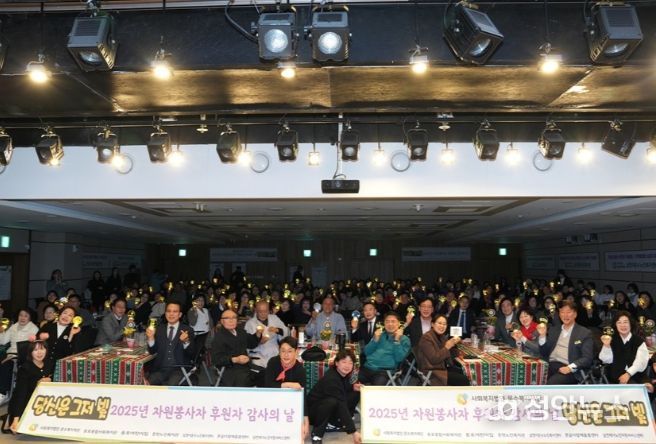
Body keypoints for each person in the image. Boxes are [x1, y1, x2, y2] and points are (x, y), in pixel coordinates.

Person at [306, 349, 361, 444]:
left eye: (350, 363)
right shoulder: (331, 378)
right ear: (336, 363)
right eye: (344, 362)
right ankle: (317, 434)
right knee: (332, 401)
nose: (347, 366)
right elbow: (341, 402)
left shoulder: (341, 374)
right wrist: (354, 432)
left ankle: (334, 423)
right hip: (314, 413)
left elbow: (342, 388)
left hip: (327, 407)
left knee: (355, 393)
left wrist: (353, 387)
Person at [533, 300, 593, 384]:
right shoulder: (554, 330)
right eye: (562, 312)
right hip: (550, 365)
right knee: (531, 377)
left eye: (568, 312)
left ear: (575, 314)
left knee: (551, 384)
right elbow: (544, 353)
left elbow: (587, 358)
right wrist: (542, 336)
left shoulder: (584, 333)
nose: (565, 315)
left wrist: (570, 368)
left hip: (569, 368)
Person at [7, 341, 53, 434]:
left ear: (46, 350)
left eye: (42, 349)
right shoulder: (25, 369)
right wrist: (16, 419)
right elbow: (20, 394)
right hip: (27, 402)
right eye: (35, 350)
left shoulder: (49, 363)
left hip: (46, 400)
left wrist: (51, 380)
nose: (39, 352)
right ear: (30, 353)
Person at [146, 301, 195, 386]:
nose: (171, 314)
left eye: (175, 311)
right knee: (147, 384)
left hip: (179, 369)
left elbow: (192, 353)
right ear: (165, 313)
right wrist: (151, 338)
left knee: (171, 386)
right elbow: (152, 351)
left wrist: (186, 341)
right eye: (168, 311)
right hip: (161, 369)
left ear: (180, 314)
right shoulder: (159, 329)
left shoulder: (187, 330)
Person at [211, 309, 263, 387]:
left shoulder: (240, 331)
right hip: (230, 368)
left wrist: (258, 333)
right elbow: (216, 359)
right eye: (227, 318)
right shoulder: (219, 337)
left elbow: (251, 343)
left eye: (234, 317)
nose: (231, 320)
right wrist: (236, 359)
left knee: (266, 374)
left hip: (246, 366)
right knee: (244, 380)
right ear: (222, 321)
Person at [358, 312, 411, 386]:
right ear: (384, 324)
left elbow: (399, 358)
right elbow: (366, 352)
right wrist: (375, 340)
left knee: (377, 389)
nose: (390, 324)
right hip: (367, 368)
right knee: (350, 382)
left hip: (384, 371)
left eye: (393, 321)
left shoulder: (404, 339)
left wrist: (396, 341)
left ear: (399, 324)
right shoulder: (379, 335)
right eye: (387, 321)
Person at [416, 314, 470, 386]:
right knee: (464, 380)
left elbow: (449, 353)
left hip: (441, 367)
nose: (442, 326)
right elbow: (434, 359)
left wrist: (455, 345)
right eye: (439, 323)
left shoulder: (441, 337)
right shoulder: (426, 338)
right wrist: (447, 347)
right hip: (432, 371)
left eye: (444, 324)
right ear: (432, 324)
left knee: (465, 372)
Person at [599, 311, 650, 384]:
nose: (622, 325)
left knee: (646, 386)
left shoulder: (639, 341)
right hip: (615, 377)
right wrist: (606, 346)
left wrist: (628, 374)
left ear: (630, 324)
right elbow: (606, 360)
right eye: (619, 323)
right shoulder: (611, 340)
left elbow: (640, 363)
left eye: (625, 322)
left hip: (636, 375)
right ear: (615, 325)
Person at [0, 309, 39, 403]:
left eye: (26, 316)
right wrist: (2, 332)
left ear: (30, 318)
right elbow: (3, 341)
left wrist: (14, 356)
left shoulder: (33, 328)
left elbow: (32, 348)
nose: (22, 318)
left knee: (5, 365)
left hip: (24, 356)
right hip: (10, 354)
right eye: (21, 315)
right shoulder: (14, 326)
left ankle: (3, 393)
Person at [244, 300, 289, 367]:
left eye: (265, 311)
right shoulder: (250, 323)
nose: (263, 313)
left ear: (269, 310)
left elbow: (286, 331)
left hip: (274, 352)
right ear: (256, 310)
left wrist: (277, 330)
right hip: (258, 355)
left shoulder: (274, 318)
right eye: (260, 311)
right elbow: (246, 343)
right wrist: (259, 342)